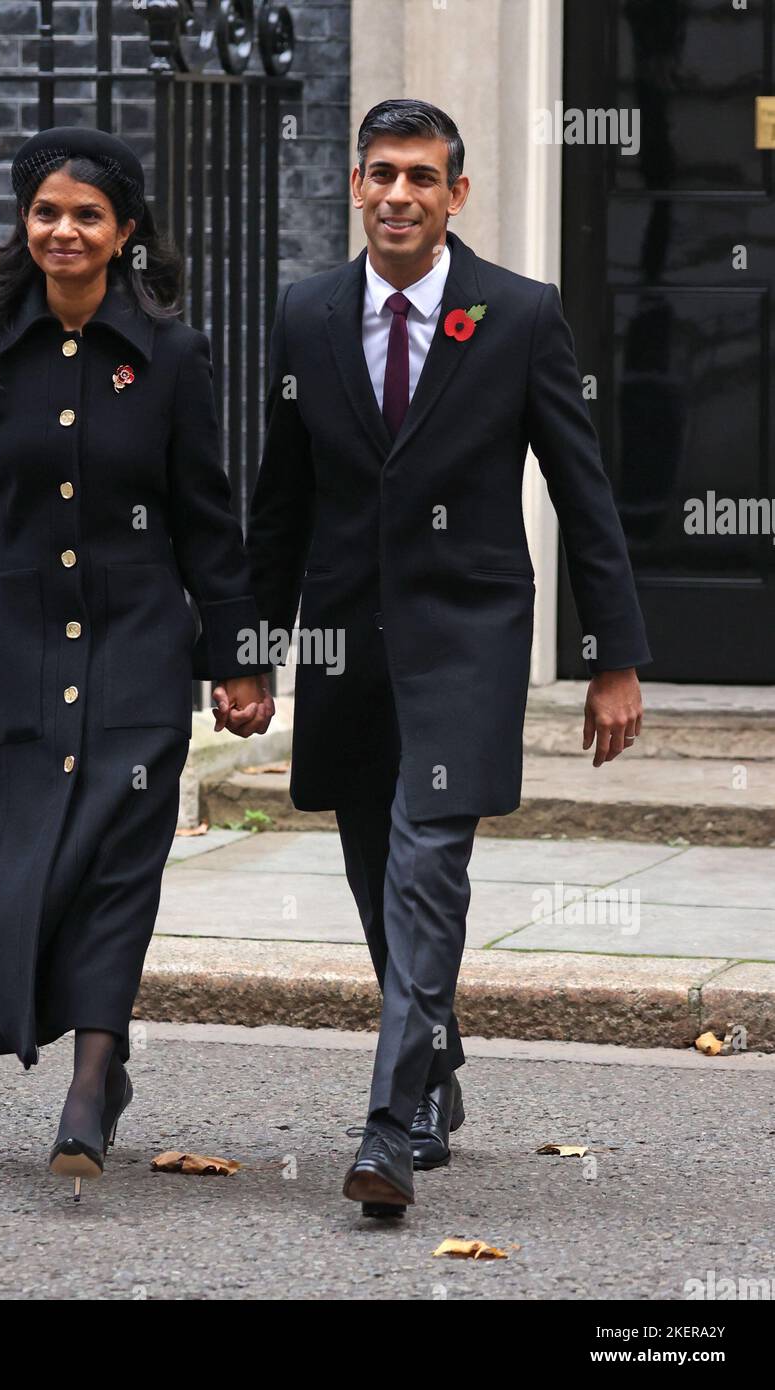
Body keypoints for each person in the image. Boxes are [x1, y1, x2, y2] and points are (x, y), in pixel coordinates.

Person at [245, 98, 650, 1217]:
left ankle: (389, 1122)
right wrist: (247, 648)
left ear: (455, 195)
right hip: (346, 635)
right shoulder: (307, 312)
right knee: (379, 865)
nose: (398, 195)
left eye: (423, 177)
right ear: (358, 186)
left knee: (429, 861)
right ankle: (436, 1063)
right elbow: (280, 499)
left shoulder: (517, 315)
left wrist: (612, 654)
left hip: (466, 633)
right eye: (381, 173)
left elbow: (582, 488)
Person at [0, 126, 272, 1201]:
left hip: (136, 649)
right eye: (45, 212)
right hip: (16, 649)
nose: (63, 230)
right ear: (25, 227)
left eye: (86, 214)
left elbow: (209, 518)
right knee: (13, 867)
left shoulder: (171, 354)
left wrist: (237, 657)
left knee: (121, 861)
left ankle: (93, 1076)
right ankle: (76, 1051)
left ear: (124, 234)